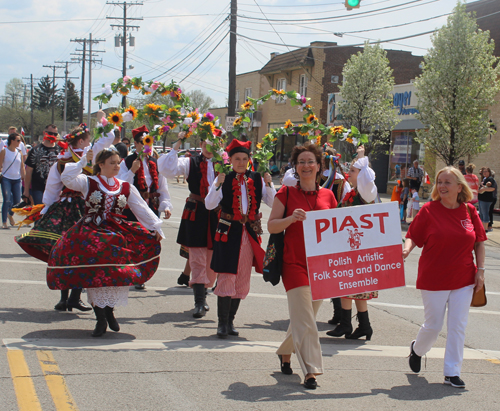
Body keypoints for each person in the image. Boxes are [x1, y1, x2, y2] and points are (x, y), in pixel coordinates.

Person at [47, 147, 164, 337]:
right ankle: (100, 317)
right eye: (112, 163)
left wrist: (155, 227)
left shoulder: (125, 186)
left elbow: (141, 208)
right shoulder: (88, 182)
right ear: (100, 165)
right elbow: (67, 178)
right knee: (95, 276)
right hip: (91, 234)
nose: (117, 166)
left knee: (115, 273)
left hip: (116, 234)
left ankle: (109, 311)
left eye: (118, 162)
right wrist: (82, 161)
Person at [15, 118, 115, 312]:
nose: (89, 144)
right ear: (80, 142)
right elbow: (53, 186)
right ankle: (71, 298)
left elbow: (52, 189)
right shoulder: (84, 159)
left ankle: (68, 299)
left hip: (66, 208)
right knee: (81, 252)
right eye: (87, 141)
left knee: (68, 252)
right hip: (81, 209)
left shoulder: (66, 160)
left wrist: (47, 209)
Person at [403, 166, 486, 389]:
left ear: (460, 187)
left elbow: (479, 242)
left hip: (464, 278)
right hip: (434, 277)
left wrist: (481, 271)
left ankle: (452, 372)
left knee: (458, 325)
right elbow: (412, 236)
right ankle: (417, 349)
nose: (442, 186)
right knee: (433, 325)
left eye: (447, 182)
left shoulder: (469, 211)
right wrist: (406, 249)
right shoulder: (429, 210)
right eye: (440, 182)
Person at [268, 143, 337, 390]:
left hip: (320, 266)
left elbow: (335, 231)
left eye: (311, 162)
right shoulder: (285, 193)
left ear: (319, 166)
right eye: (301, 162)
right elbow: (272, 226)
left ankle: (285, 351)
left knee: (305, 316)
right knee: (307, 320)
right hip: (293, 263)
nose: (306, 166)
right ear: (295, 168)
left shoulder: (329, 196)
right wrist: (290, 218)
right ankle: (310, 370)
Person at [205, 139, 275, 338]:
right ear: (231, 160)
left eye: (245, 159)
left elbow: (273, 201)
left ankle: (230, 321)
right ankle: (221, 323)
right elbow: (209, 205)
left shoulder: (257, 177)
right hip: (228, 231)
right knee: (227, 275)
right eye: (237, 159)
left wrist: (269, 184)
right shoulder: (224, 177)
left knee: (243, 277)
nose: (241, 162)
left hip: (249, 232)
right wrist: (217, 184)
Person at [158, 133, 219, 317]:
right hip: (197, 211)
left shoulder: (224, 164)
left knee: (212, 259)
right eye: (207, 145)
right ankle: (199, 302)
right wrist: (177, 143)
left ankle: (204, 293)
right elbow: (168, 169)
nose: (210, 149)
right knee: (197, 257)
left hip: (216, 213)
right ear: (201, 144)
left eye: (214, 145)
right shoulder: (190, 162)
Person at [326, 145, 378, 340]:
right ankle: (363, 326)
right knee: (354, 289)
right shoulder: (356, 191)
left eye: (353, 171)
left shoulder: (366, 192)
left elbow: (366, 175)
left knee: (349, 286)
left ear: (363, 174)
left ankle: (347, 324)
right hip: (351, 244)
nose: (349, 173)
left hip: (358, 246)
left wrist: (362, 158)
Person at [119, 126, 172, 290]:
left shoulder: (155, 163)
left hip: (151, 207)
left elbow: (162, 188)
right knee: (131, 240)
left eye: (148, 142)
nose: (145, 146)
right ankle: (127, 271)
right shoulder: (126, 162)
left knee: (148, 240)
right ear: (135, 144)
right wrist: (132, 171)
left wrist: (166, 205)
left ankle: (140, 274)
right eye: (142, 142)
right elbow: (121, 186)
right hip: (132, 208)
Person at [23, 124, 61, 205]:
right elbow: (28, 171)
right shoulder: (35, 150)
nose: (53, 136)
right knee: (40, 212)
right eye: (50, 133)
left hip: (55, 188)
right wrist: (26, 191)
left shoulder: (60, 150)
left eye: (55, 134)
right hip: (38, 188)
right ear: (44, 133)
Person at [0, 133, 25, 229]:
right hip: (6, 178)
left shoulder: (19, 152)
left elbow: (22, 166)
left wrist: (24, 178)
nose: (20, 142)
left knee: (17, 201)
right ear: (12, 141)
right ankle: (4, 222)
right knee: (6, 200)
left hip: (17, 179)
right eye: (18, 140)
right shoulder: (4, 151)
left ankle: (10, 214)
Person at [478, 167, 496, 232]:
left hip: (486, 200)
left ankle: (485, 229)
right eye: (483, 172)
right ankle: (482, 228)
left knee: (485, 213)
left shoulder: (490, 179)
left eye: (486, 171)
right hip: (481, 199)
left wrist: (483, 189)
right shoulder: (484, 179)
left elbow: (492, 188)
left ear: (489, 172)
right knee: (482, 214)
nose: (484, 173)